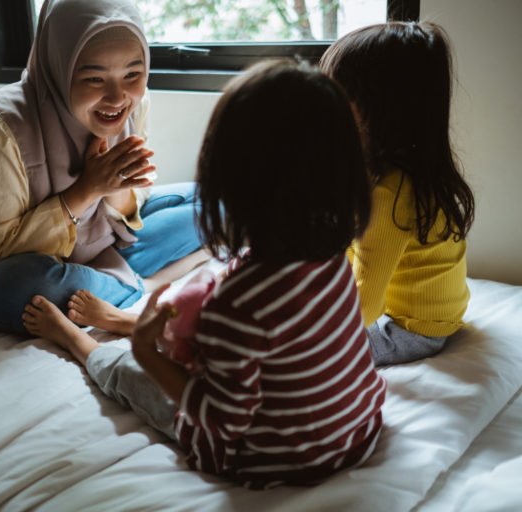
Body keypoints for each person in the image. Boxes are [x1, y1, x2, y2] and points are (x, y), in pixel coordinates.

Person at [23, 61, 387, 488]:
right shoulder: (332, 258)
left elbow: (220, 419)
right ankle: (124, 321)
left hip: (271, 458)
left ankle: (77, 338)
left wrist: (145, 352)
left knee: (130, 375)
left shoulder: (237, 305)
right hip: (355, 431)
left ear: (227, 183)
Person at [0, 0, 206, 335]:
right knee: (23, 291)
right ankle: (141, 285)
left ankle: (106, 283)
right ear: (60, 67)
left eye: (133, 73)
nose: (118, 97)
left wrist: (115, 190)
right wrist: (87, 189)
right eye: (94, 78)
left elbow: (136, 196)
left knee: (214, 202)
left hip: (97, 242)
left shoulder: (135, 102)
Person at [320, 22, 475, 366]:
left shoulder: (388, 194)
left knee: (300, 353)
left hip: (411, 329)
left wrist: (310, 331)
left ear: (381, 106)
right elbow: (354, 249)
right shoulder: (414, 173)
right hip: (439, 314)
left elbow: (364, 306)